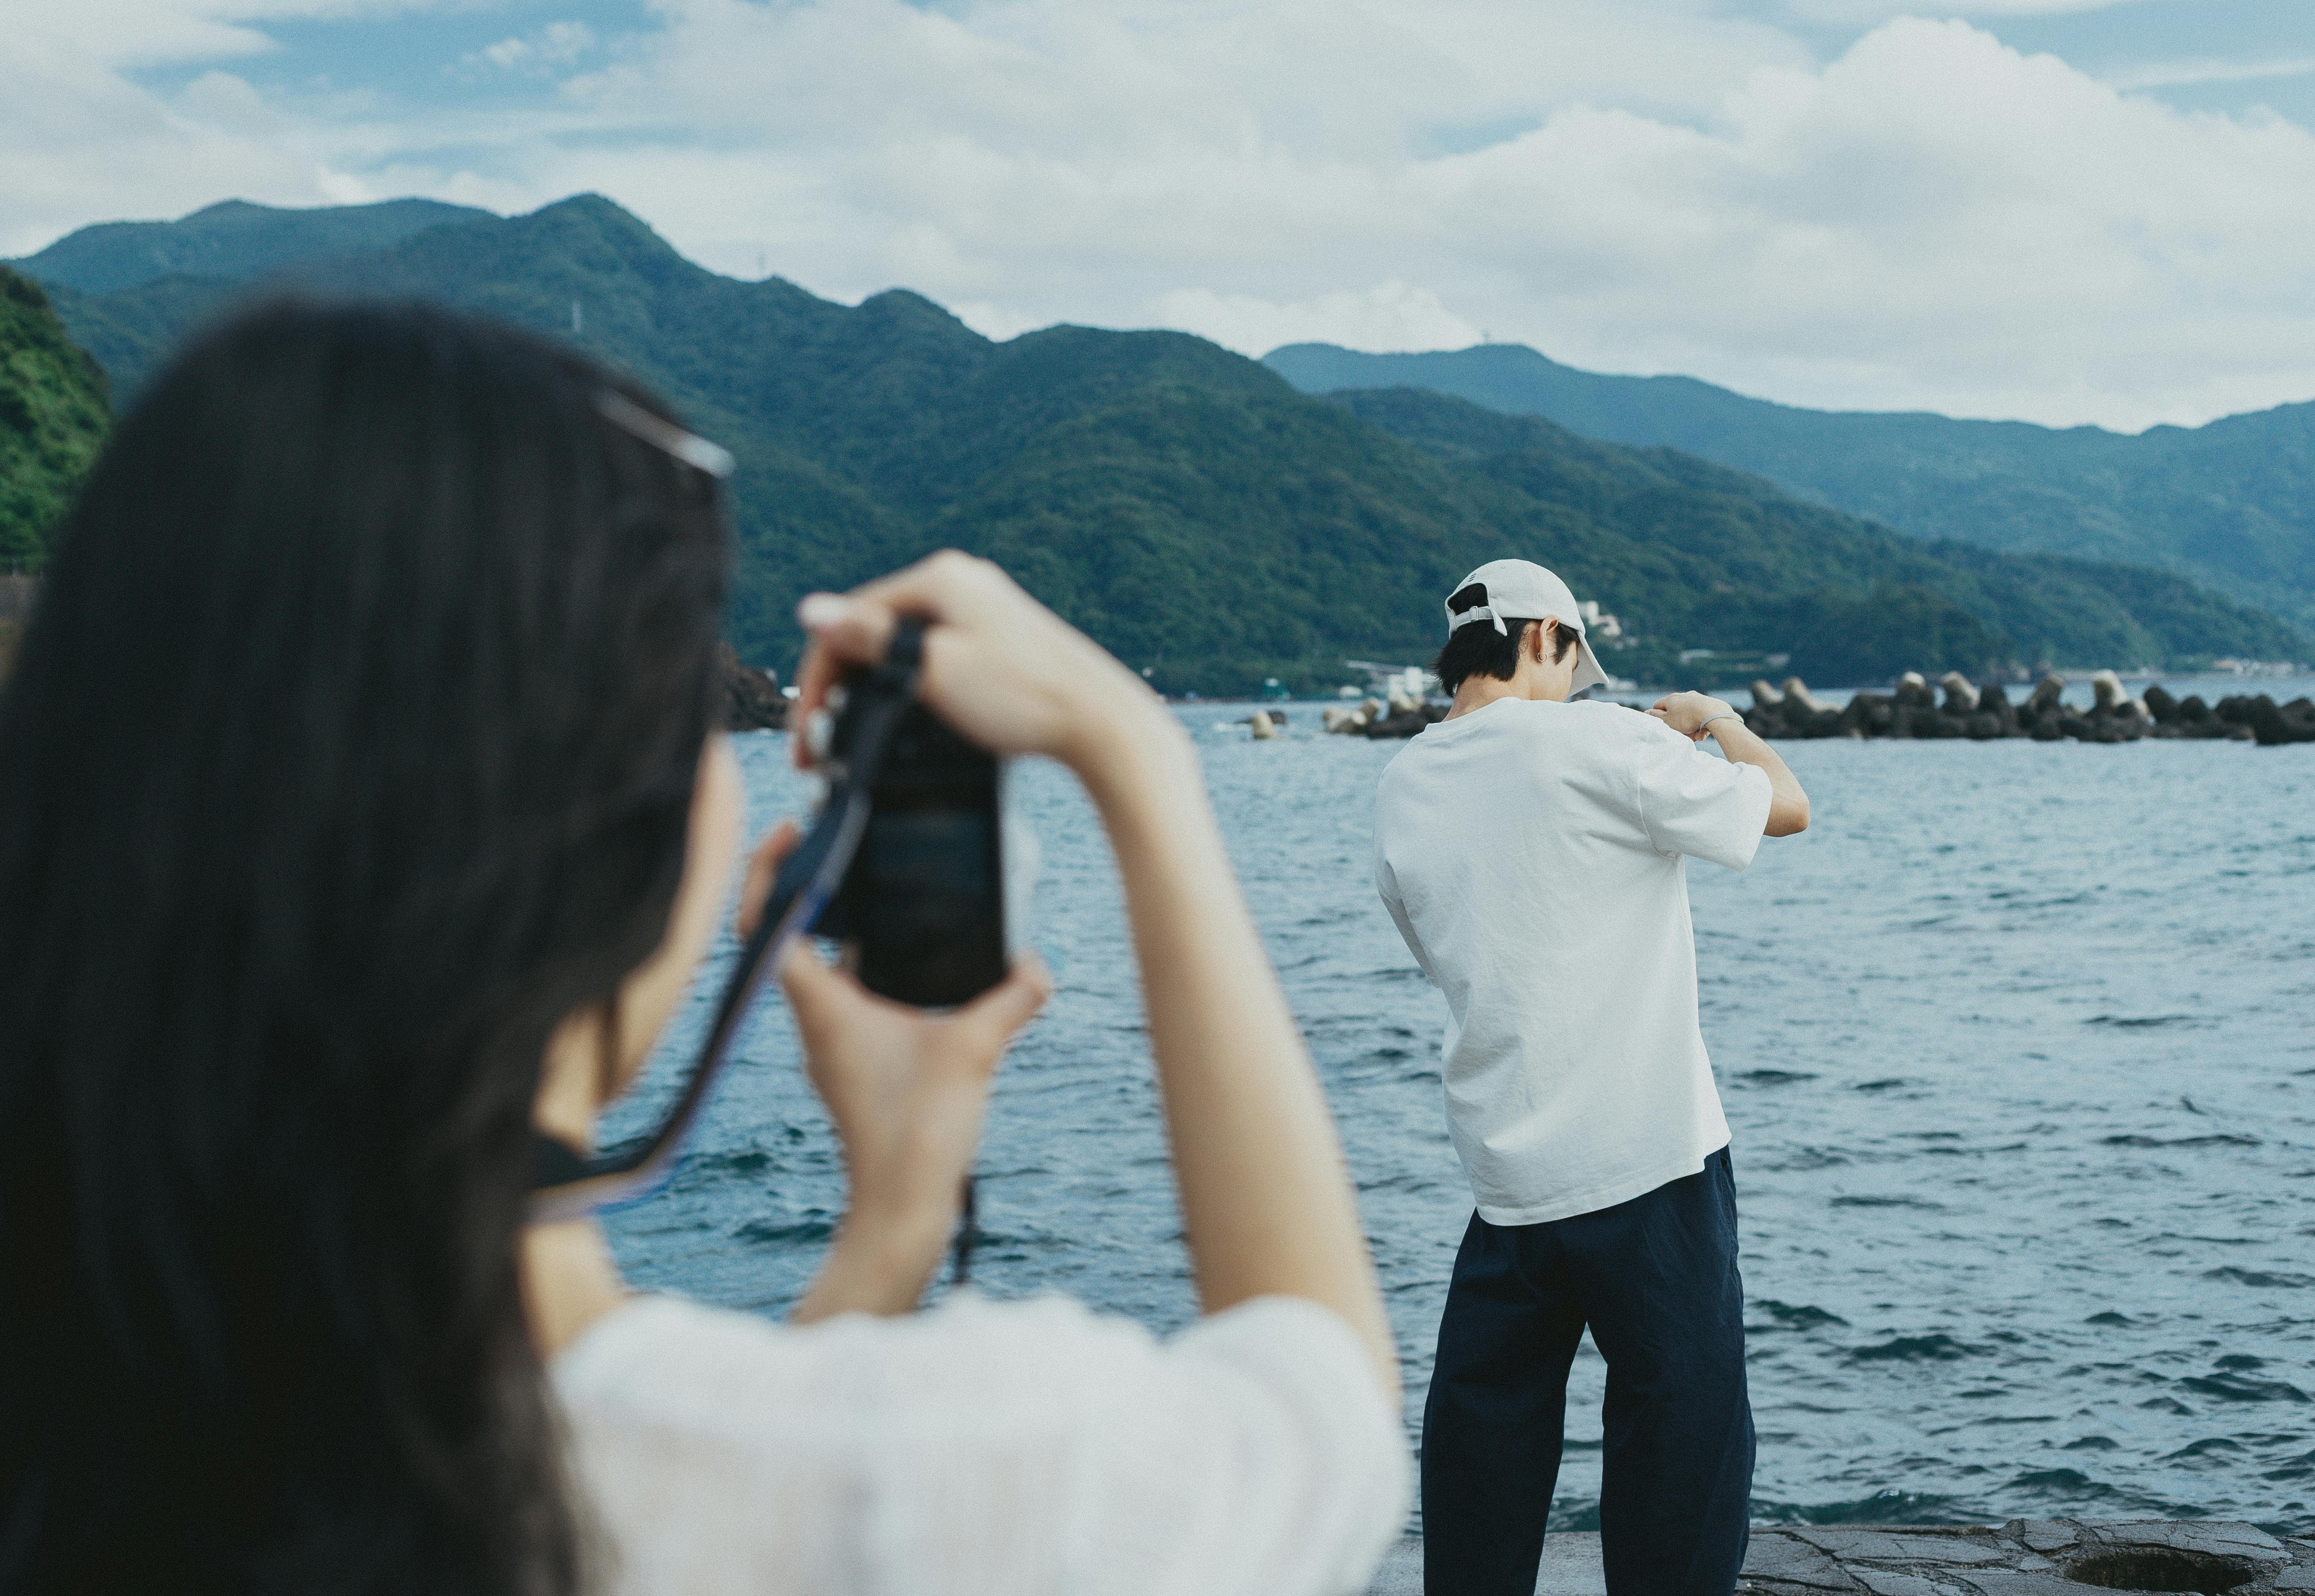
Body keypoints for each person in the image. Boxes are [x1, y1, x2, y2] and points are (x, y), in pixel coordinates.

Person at [0, 300, 1407, 1596]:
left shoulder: (93, 1408)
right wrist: (1140, 759)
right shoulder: (944, 1472)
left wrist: (888, 1233)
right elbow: (1323, 1414)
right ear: (608, 844)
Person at [1371, 559, 1811, 1596]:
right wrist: (1714, 722)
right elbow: (1785, 808)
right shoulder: (1600, 738)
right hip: (1643, 1152)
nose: (1576, 683)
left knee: (1485, 1431)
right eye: (1573, 662)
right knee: (1679, 1422)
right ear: (1542, 638)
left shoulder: (1404, 781)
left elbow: (1447, 945)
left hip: (1507, 1169)